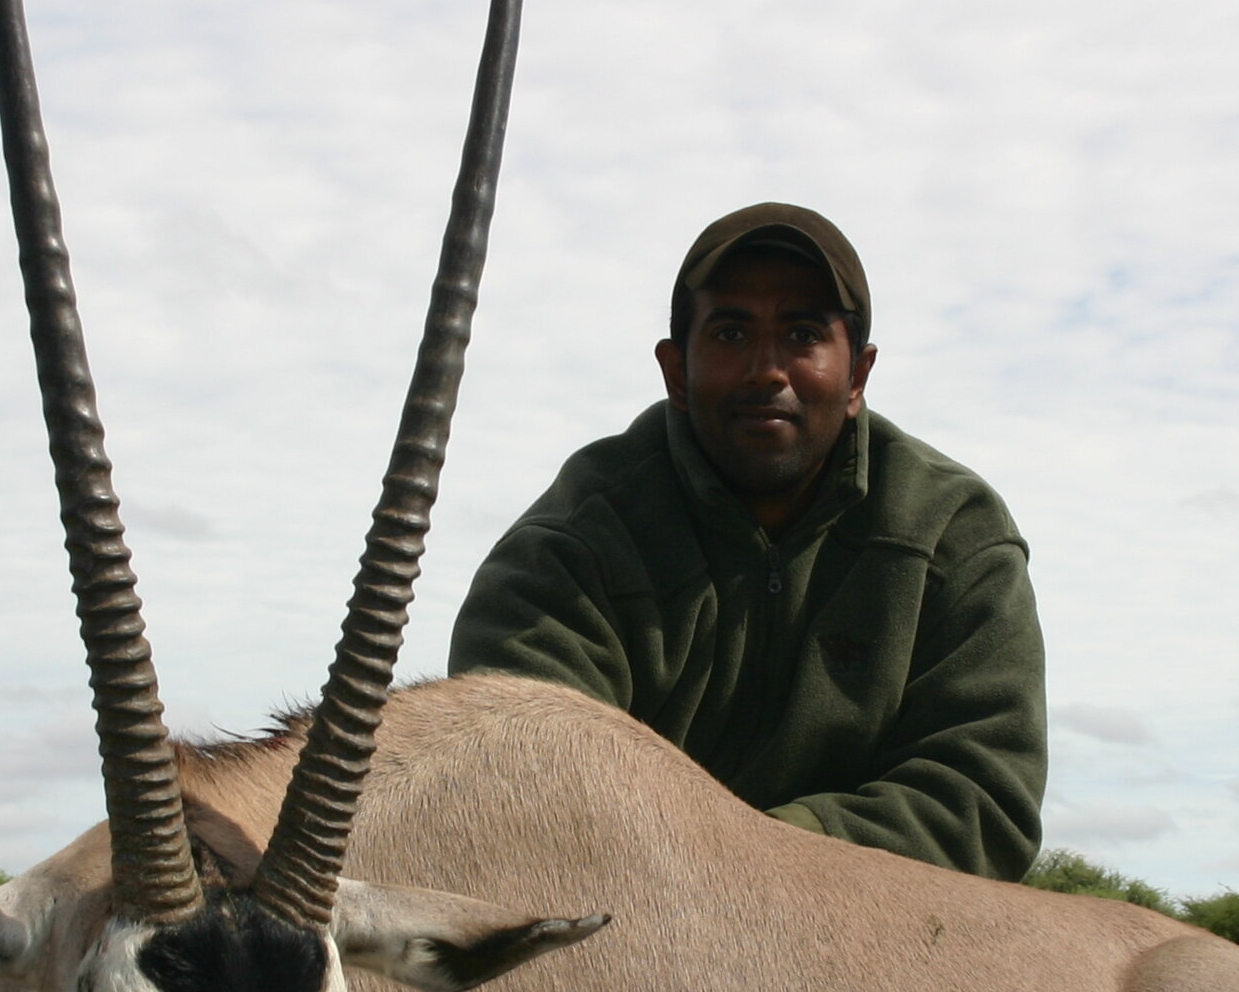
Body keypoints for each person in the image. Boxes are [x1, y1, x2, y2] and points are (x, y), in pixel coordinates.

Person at [448, 203, 1047, 879]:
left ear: (857, 376)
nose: (767, 369)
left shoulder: (954, 534)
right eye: (731, 333)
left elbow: (983, 802)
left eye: (802, 333)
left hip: (873, 939)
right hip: (627, 931)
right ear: (676, 371)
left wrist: (763, 857)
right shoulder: (569, 545)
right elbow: (514, 788)